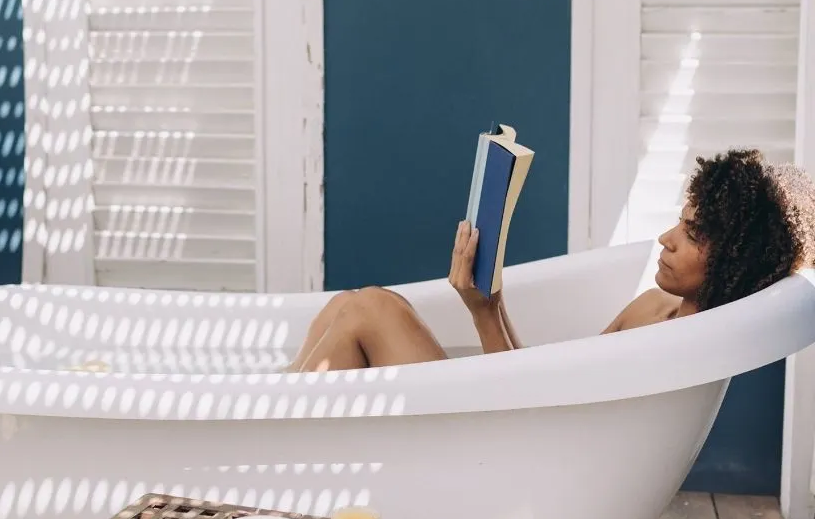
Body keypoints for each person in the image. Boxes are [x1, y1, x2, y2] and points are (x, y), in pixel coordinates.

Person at [285, 148, 815, 373]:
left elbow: (530, 407)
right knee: (354, 303)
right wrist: (487, 304)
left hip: (497, 454)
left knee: (369, 312)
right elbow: (543, 378)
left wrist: (483, 312)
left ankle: (267, 434)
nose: (666, 238)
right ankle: (268, 414)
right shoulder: (653, 307)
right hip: (508, 428)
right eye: (680, 220)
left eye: (692, 233)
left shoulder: (675, 345)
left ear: (737, 261)